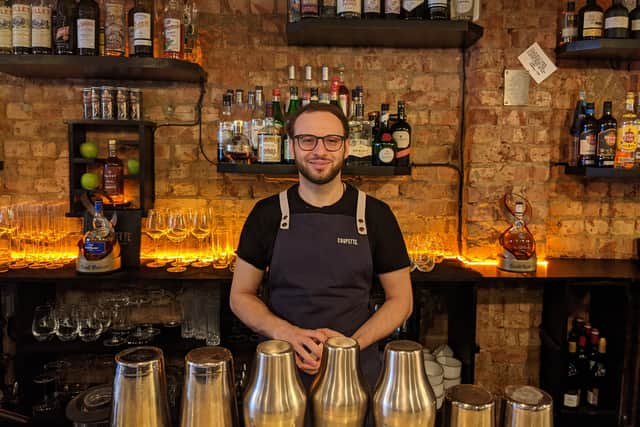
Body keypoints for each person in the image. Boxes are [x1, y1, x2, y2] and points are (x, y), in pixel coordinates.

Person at [230, 102, 413, 425]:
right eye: (307, 140)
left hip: (356, 375)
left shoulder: (375, 215)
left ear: (345, 147)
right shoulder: (267, 214)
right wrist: (288, 335)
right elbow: (240, 295)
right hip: (280, 375)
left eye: (331, 140)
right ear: (292, 146)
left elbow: (402, 300)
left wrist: (347, 348)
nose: (319, 150)